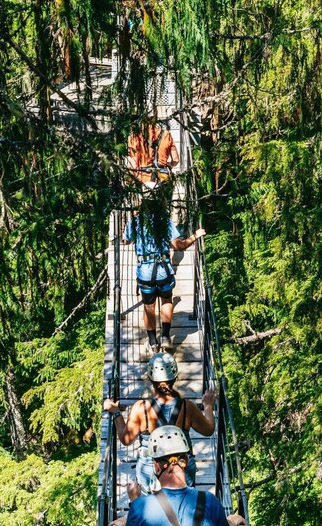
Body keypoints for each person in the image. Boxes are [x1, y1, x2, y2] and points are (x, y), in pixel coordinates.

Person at [112, 425, 244, 526]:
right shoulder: (210, 502)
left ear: (156, 467)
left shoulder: (140, 506)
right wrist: (232, 522)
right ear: (186, 461)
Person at [104, 352, 216, 496]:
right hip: (181, 465)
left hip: (151, 467)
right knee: (184, 499)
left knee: (151, 503)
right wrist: (208, 406)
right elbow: (209, 430)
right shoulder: (187, 407)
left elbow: (125, 439)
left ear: (150, 378)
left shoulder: (141, 408)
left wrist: (116, 413)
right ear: (175, 377)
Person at [123, 198, 205, 354]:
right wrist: (195, 235)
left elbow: (126, 240)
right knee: (166, 300)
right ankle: (166, 337)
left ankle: (153, 343)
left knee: (148, 306)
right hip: (164, 270)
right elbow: (179, 246)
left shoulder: (135, 222)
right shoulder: (164, 222)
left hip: (145, 272)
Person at [128, 119, 180, 185]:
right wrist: (168, 165)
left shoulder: (135, 137)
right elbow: (176, 159)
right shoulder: (166, 134)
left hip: (143, 179)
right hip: (163, 178)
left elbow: (133, 164)